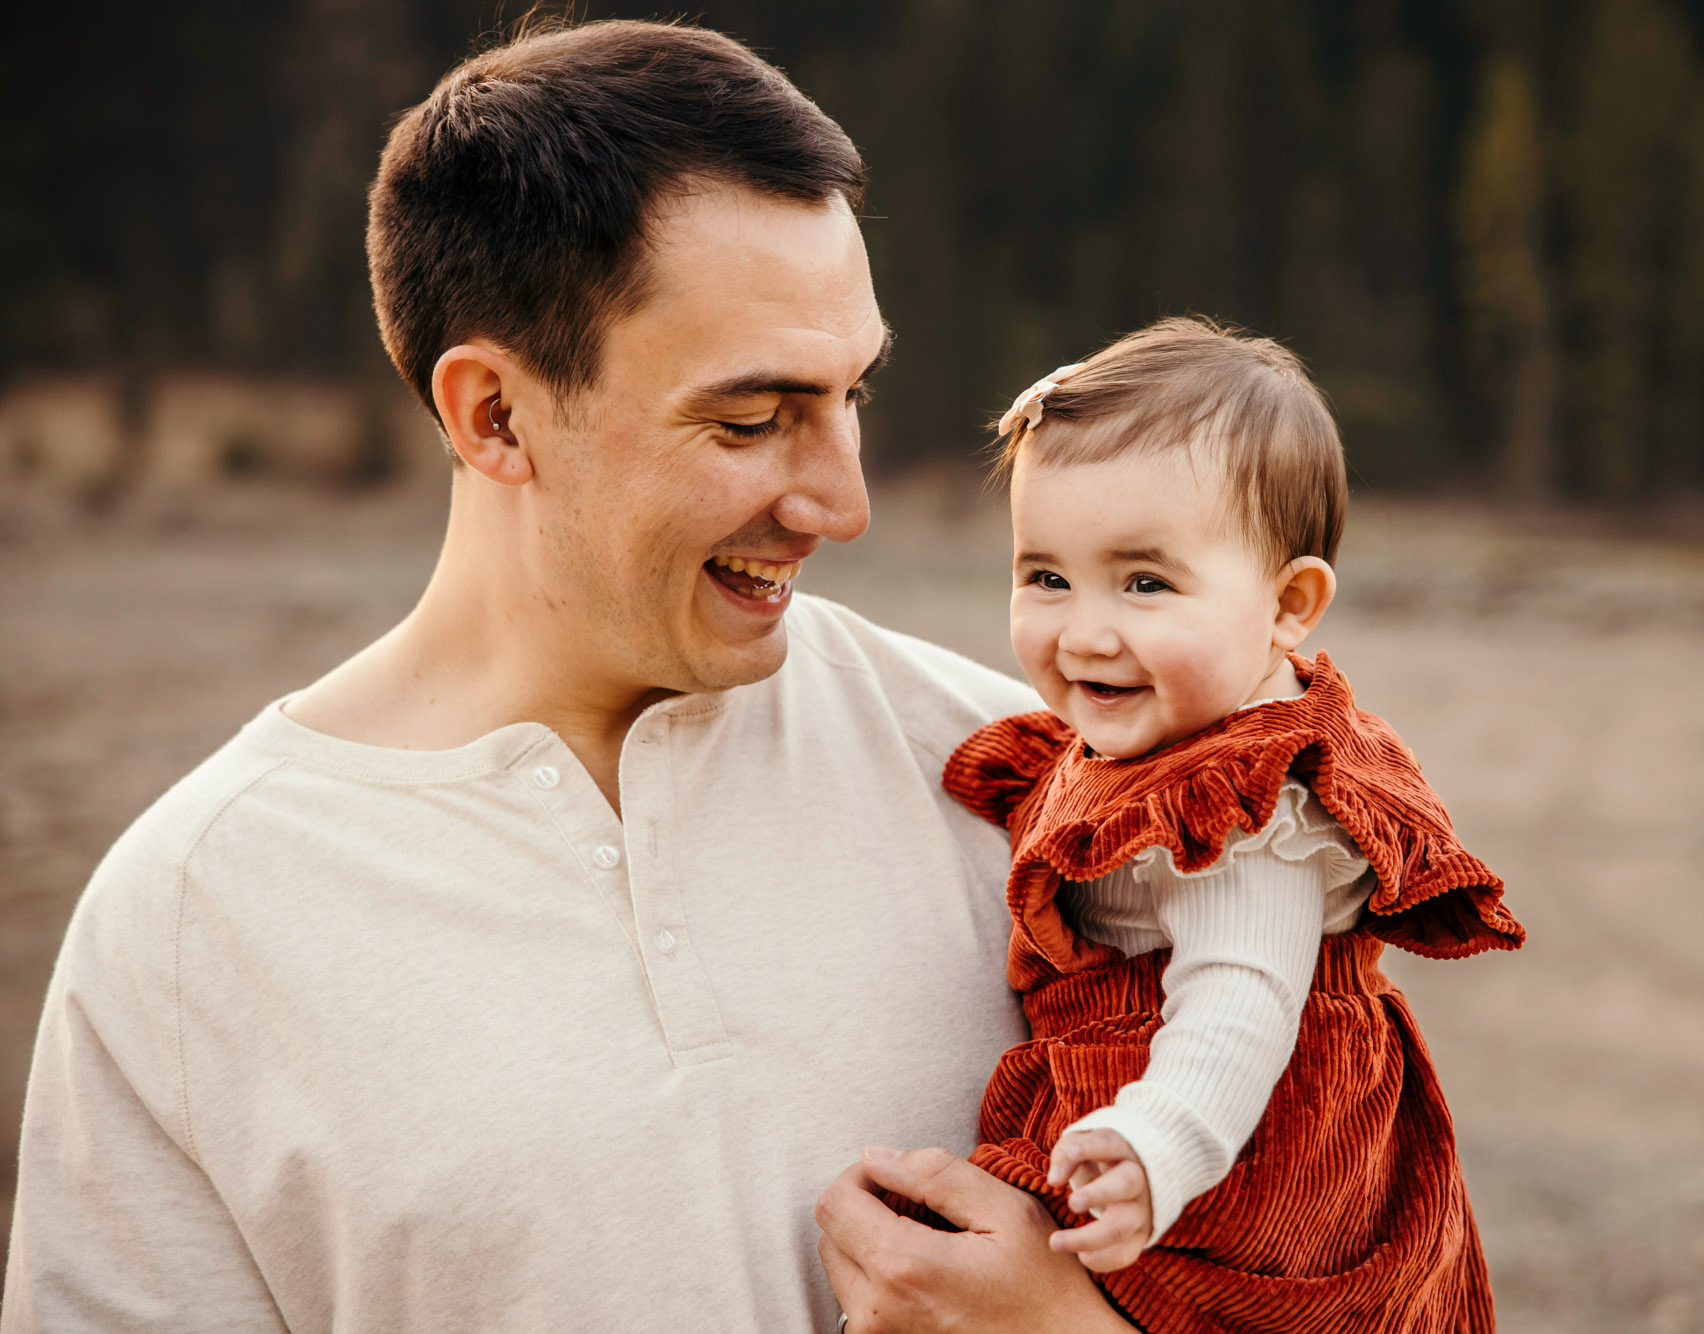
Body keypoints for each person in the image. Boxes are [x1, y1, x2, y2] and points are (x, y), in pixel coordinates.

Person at [2, 20, 1135, 1333]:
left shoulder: (1041, 783)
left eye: (852, 397)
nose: (843, 500)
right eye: (754, 418)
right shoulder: (195, 917)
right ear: (495, 414)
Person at [940, 318, 1526, 1332]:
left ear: (1287, 605)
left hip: (1243, 1152)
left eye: (1145, 581)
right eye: (1044, 575)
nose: (1084, 629)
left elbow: (1238, 1001)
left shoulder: (1245, 819)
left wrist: (1156, 1143)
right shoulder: (1153, 738)